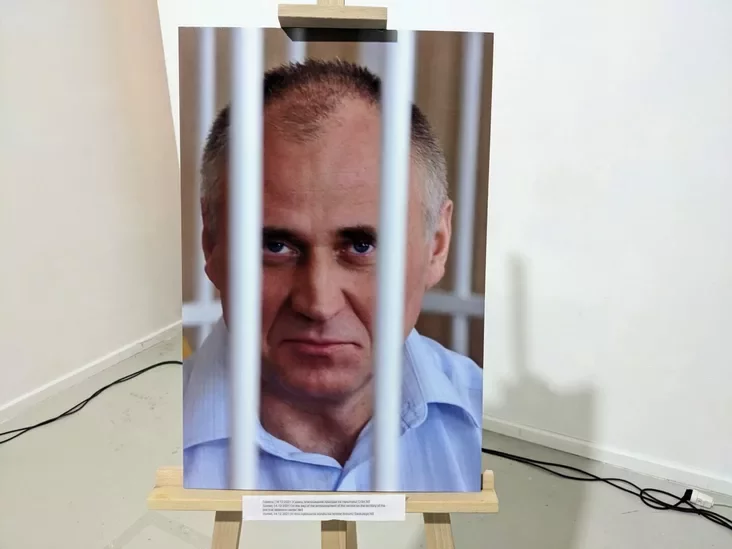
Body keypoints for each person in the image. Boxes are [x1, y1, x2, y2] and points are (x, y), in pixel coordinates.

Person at [183, 59, 483, 492]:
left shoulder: (508, 434)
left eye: (361, 246)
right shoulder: (132, 438)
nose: (318, 304)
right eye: (275, 246)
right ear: (212, 243)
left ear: (437, 244)